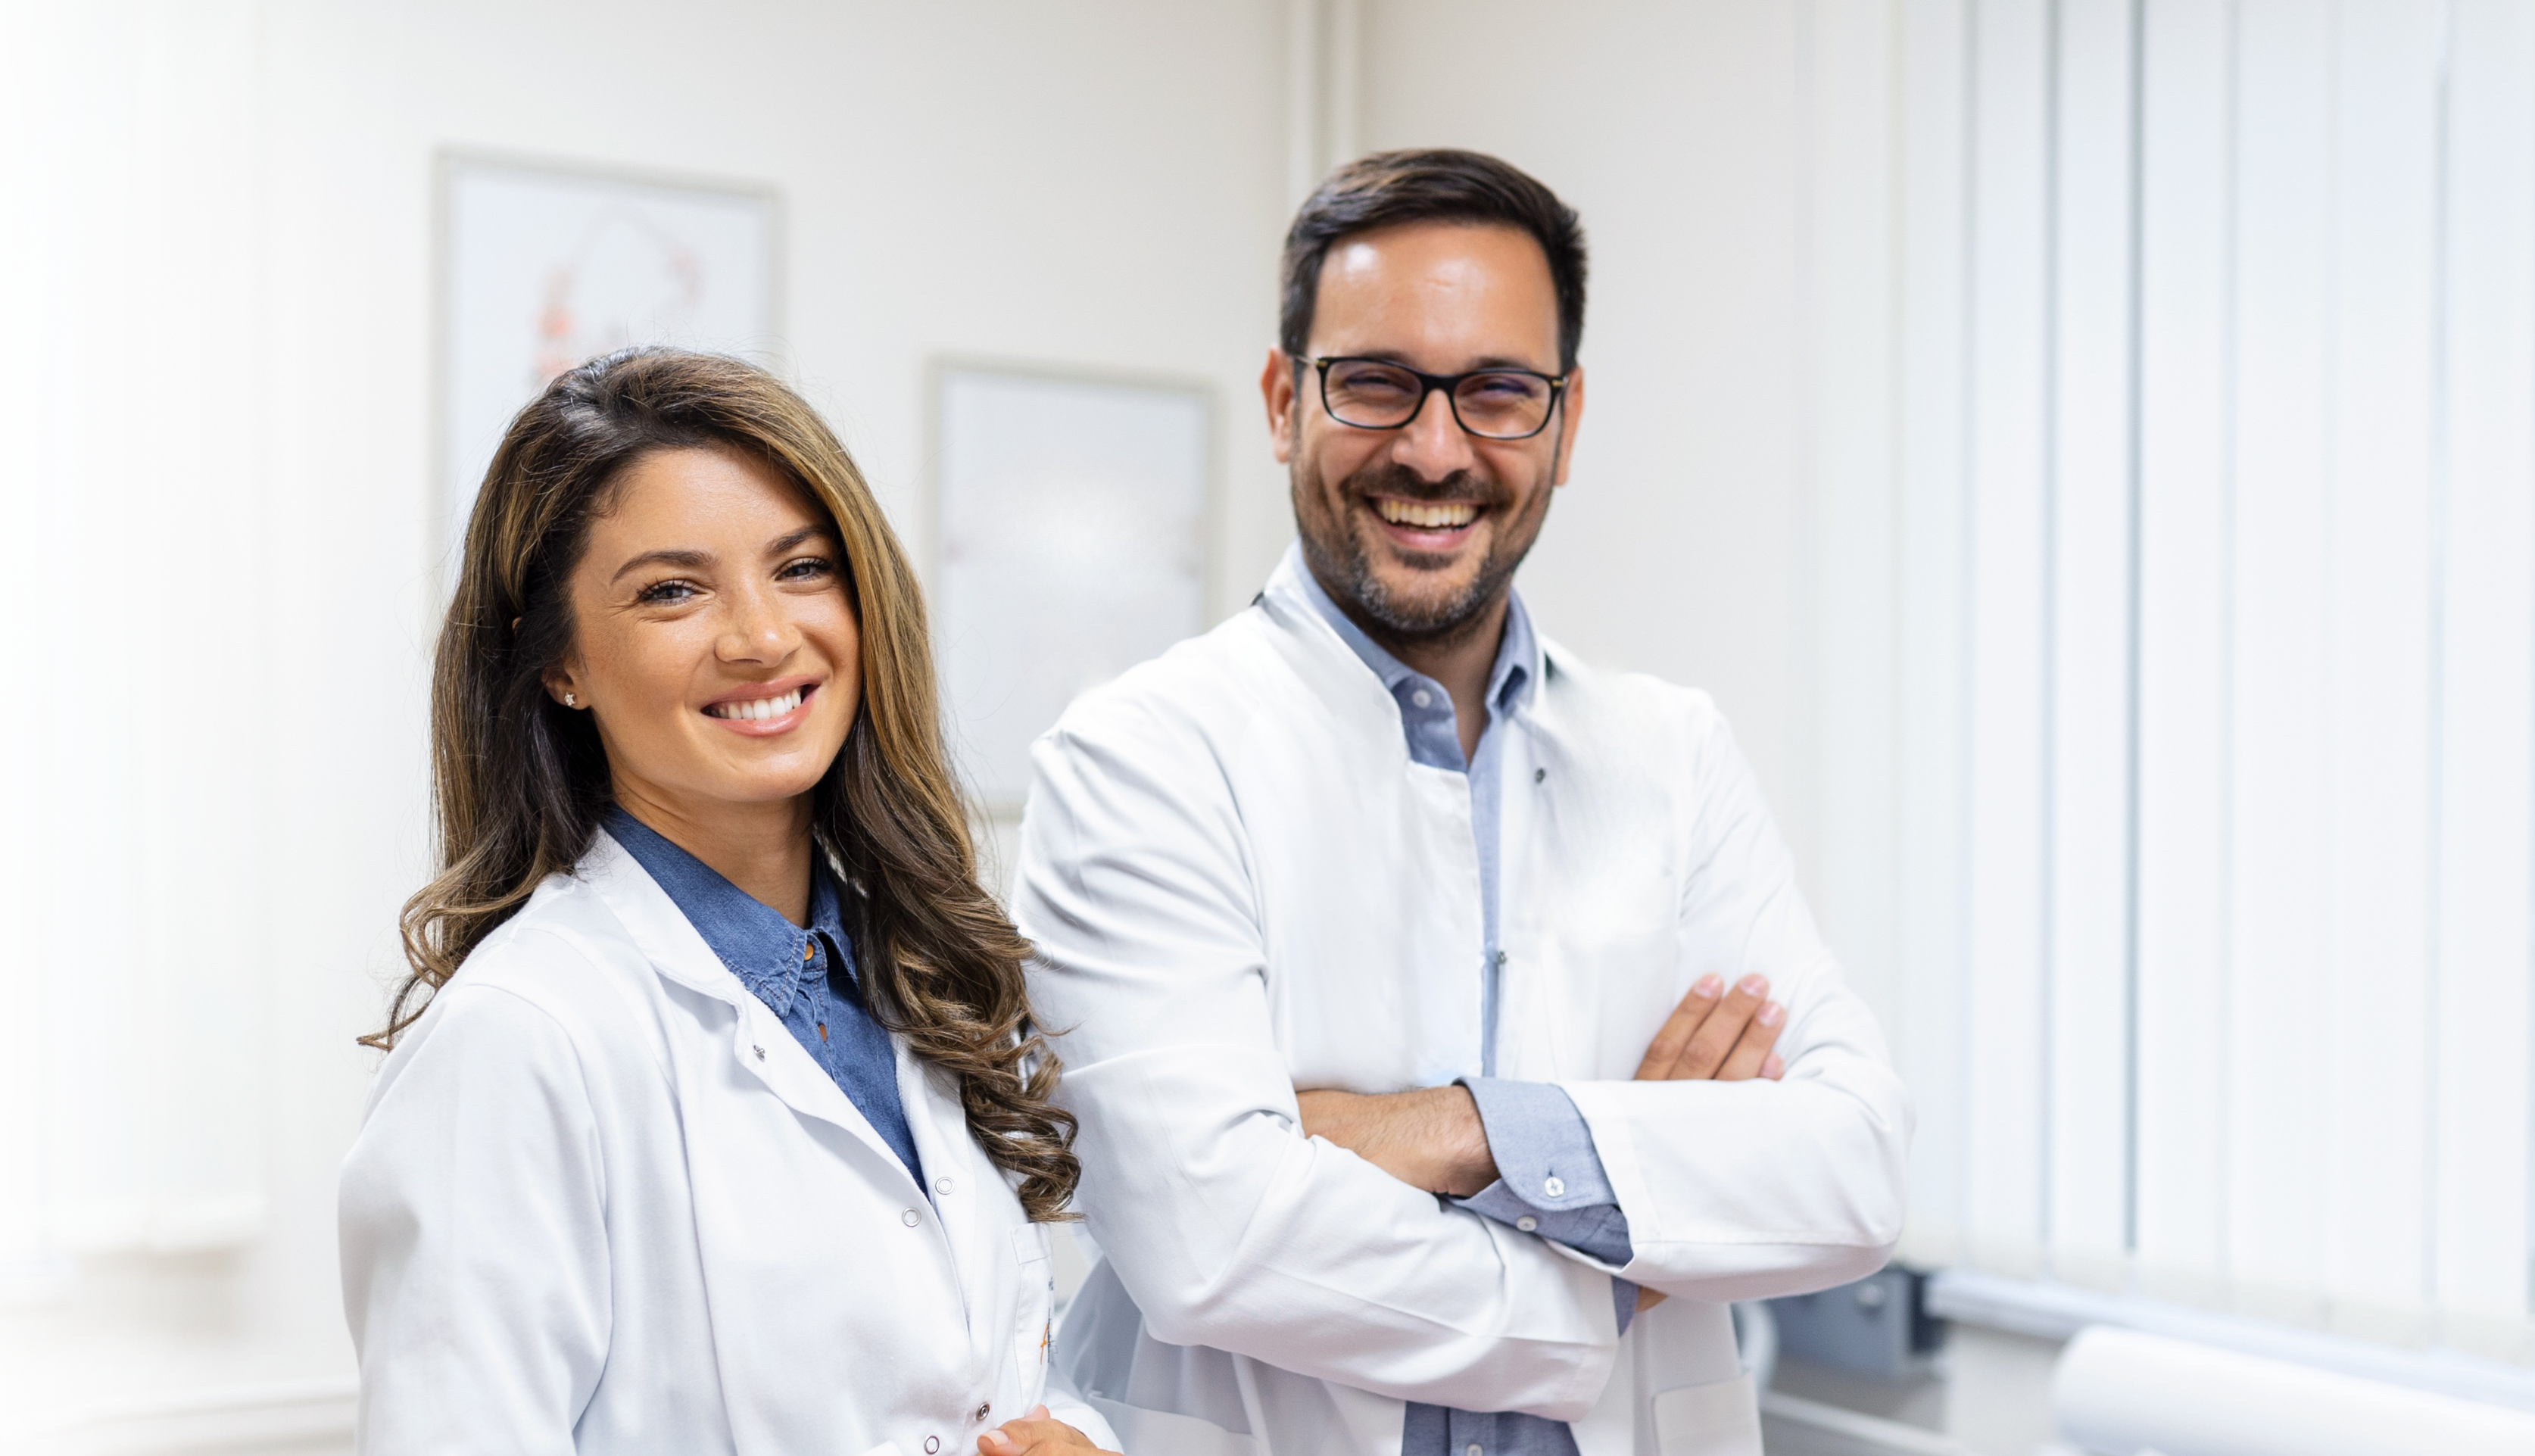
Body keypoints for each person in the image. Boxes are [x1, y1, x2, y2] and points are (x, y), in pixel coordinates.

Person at [1011, 148, 1906, 1456]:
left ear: (1566, 422)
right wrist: (1639, 1219)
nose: (1435, 451)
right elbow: (1214, 1238)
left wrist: (1458, 1130)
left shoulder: (1675, 754)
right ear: (1283, 402)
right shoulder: (1138, 759)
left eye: (1498, 392)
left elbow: (1857, 1164)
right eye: (1377, 382)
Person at [341, 348, 1116, 1456]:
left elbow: (988, 1368)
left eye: (802, 568)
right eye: (673, 590)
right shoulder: (519, 1039)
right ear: (558, 663)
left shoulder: (909, 977)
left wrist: (1078, 1440)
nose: (761, 637)